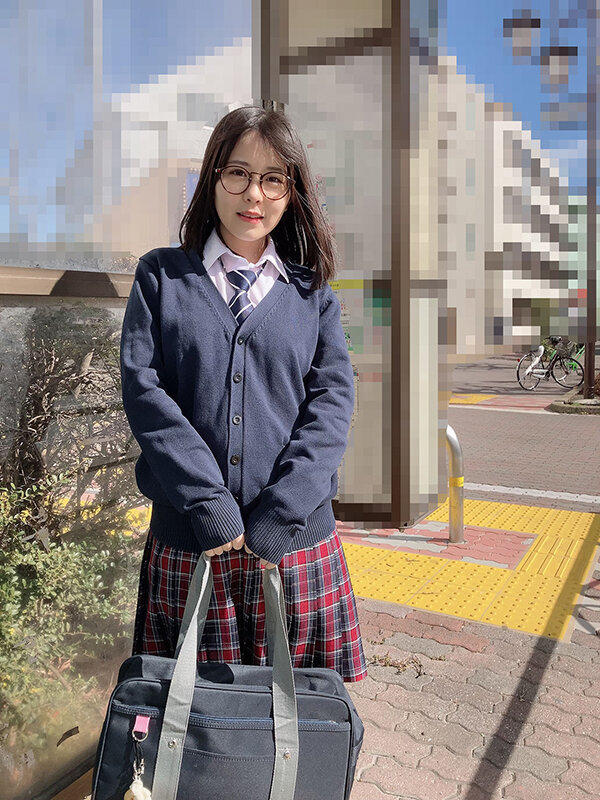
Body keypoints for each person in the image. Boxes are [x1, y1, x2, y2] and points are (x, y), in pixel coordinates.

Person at [121, 105, 366, 682]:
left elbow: (332, 405)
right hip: (192, 543)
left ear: (291, 192)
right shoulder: (161, 276)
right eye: (238, 173)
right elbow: (145, 390)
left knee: (298, 716)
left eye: (273, 178)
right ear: (213, 178)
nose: (254, 194)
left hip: (294, 544)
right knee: (194, 718)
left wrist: (282, 511)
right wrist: (207, 503)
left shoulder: (312, 293)